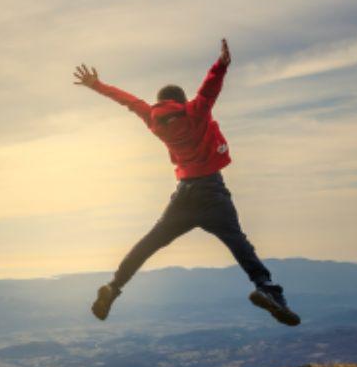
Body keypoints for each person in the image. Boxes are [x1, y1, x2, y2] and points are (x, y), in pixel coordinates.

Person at [72, 39, 299, 326]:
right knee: (239, 243)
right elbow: (209, 91)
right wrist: (221, 65)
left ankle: (114, 286)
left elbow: (128, 101)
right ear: (181, 100)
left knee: (149, 243)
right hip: (212, 192)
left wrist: (96, 85)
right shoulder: (194, 113)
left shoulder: (153, 119)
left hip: (184, 196)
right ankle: (267, 289)